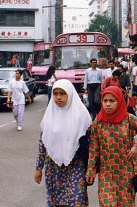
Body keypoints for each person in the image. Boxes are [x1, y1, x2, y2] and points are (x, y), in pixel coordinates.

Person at [86, 86, 137, 206]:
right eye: (105, 101)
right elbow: (93, 149)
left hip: (126, 172)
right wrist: (90, 170)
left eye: (112, 101)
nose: (108, 104)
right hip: (106, 173)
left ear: (119, 101)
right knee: (107, 203)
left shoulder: (129, 119)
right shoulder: (98, 123)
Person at [34, 79, 92, 207]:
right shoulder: (50, 117)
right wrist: (38, 168)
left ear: (70, 94)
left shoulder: (82, 117)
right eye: (55, 94)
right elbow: (43, 144)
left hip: (76, 166)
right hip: (53, 168)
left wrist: (91, 169)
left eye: (62, 93)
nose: (58, 97)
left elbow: (91, 146)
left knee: (77, 199)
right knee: (57, 202)